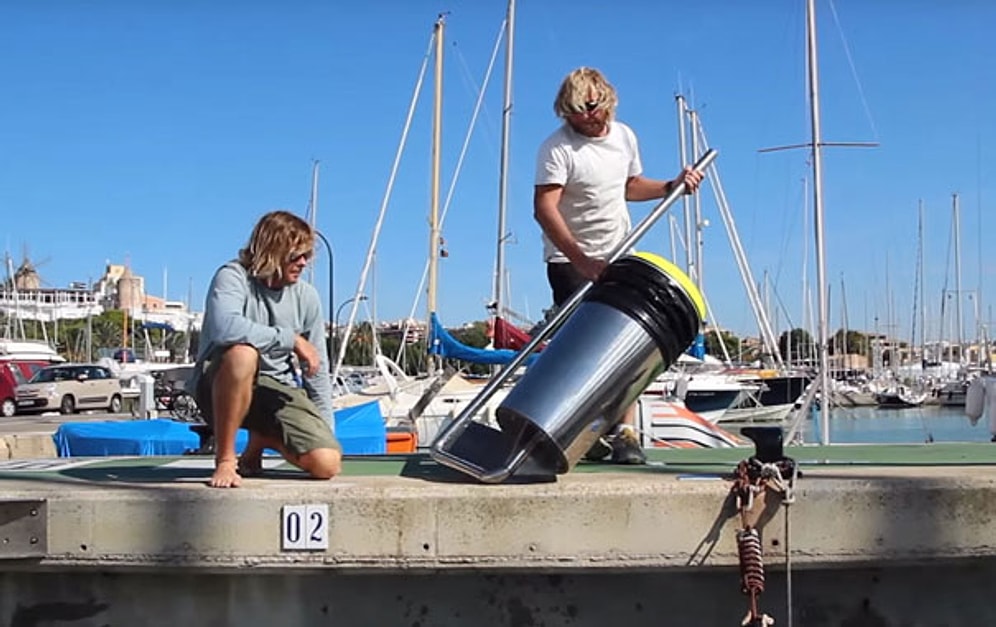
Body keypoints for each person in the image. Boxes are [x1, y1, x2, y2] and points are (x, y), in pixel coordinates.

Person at [533, 67, 704, 465]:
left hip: (619, 253)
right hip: (570, 260)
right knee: (584, 352)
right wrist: (581, 260)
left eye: (589, 109)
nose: (584, 118)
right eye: (574, 112)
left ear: (605, 102)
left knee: (628, 345)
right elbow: (544, 208)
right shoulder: (556, 148)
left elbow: (629, 186)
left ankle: (624, 432)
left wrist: (669, 186)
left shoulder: (624, 136)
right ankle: (582, 429)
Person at [192, 210, 342, 488]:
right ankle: (226, 459)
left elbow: (317, 371)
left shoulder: (307, 296)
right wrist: (292, 340)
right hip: (220, 384)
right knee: (243, 354)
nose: (303, 263)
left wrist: (325, 431)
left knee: (326, 464)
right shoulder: (232, 277)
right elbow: (225, 328)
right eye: (296, 255)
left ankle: (260, 440)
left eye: (307, 256)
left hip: (277, 389)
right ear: (273, 251)